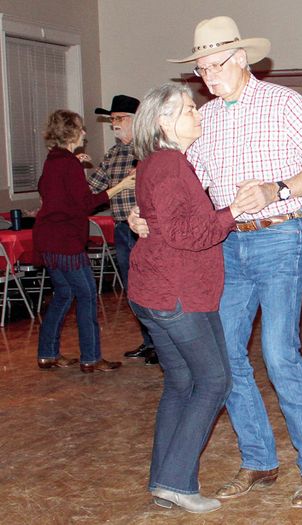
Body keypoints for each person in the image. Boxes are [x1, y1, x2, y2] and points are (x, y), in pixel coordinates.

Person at [162, 16, 302, 508]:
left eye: (214, 65)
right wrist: (151, 212)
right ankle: (259, 459)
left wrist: (277, 189)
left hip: (278, 238)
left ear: (241, 59)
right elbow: (190, 188)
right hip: (226, 246)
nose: (208, 77)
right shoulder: (209, 118)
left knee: (280, 355)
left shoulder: (284, 103)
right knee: (226, 358)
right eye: (200, 69)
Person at [129, 83, 257, 514]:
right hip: (176, 291)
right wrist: (233, 211)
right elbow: (185, 234)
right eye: (188, 109)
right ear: (164, 122)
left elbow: (164, 222)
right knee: (215, 380)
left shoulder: (158, 162)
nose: (197, 114)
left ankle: (163, 481)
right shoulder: (168, 165)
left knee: (183, 382)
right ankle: (176, 483)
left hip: (161, 288)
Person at [35, 110, 134, 373]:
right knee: (88, 295)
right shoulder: (66, 163)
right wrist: (121, 185)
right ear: (71, 131)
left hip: (47, 239)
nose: (84, 133)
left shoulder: (55, 160)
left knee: (64, 294)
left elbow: (51, 189)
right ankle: (91, 358)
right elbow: (85, 205)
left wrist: (74, 165)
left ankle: (47, 353)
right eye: (81, 128)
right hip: (65, 241)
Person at [88, 94, 158, 365]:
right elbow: (93, 188)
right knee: (133, 289)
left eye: (119, 119)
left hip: (145, 230)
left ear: (135, 121)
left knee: (152, 286)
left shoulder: (148, 151)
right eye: (112, 119)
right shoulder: (113, 155)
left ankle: (161, 344)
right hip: (121, 230)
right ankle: (149, 341)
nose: (114, 124)